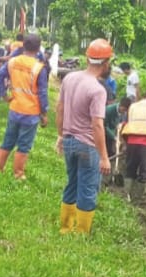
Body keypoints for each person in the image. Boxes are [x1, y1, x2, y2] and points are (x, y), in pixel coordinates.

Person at [55, 38, 112, 234]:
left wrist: (61, 135)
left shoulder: (70, 78)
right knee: (88, 186)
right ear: (106, 63)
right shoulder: (97, 89)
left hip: (69, 141)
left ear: (87, 59)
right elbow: (97, 124)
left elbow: (59, 108)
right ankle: (81, 232)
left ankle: (65, 227)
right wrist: (104, 157)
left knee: (72, 181)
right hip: (87, 146)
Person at [0, 33, 48, 181]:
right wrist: (44, 113)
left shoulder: (13, 62)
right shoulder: (39, 68)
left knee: (8, 140)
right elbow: (42, 93)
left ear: (23, 45)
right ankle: (18, 174)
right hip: (31, 112)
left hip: (15, 108)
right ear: (38, 48)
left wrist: (4, 95)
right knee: (24, 144)